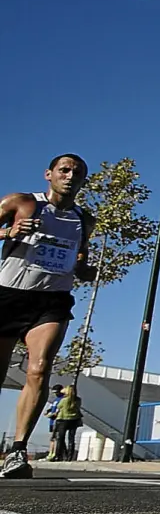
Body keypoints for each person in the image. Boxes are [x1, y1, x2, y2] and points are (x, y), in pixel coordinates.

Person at [0, 154, 95, 479]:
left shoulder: (84, 220)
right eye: (64, 170)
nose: (70, 176)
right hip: (9, 295)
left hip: (52, 300)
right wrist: (8, 232)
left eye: (77, 172)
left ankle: (17, 451)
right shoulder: (22, 202)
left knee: (39, 369)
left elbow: (80, 260)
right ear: (49, 174)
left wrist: (84, 269)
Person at [51, 385, 81, 463]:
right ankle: (70, 456)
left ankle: (58, 455)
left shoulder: (64, 400)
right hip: (74, 420)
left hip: (63, 419)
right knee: (71, 438)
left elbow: (59, 406)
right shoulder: (78, 400)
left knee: (61, 438)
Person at [42, 385, 64, 461]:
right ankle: (50, 453)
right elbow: (52, 408)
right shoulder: (55, 400)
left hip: (57, 420)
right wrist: (48, 411)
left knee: (56, 438)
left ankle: (55, 453)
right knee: (52, 438)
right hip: (52, 421)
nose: (56, 394)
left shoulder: (62, 399)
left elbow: (59, 410)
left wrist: (52, 415)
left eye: (57, 392)